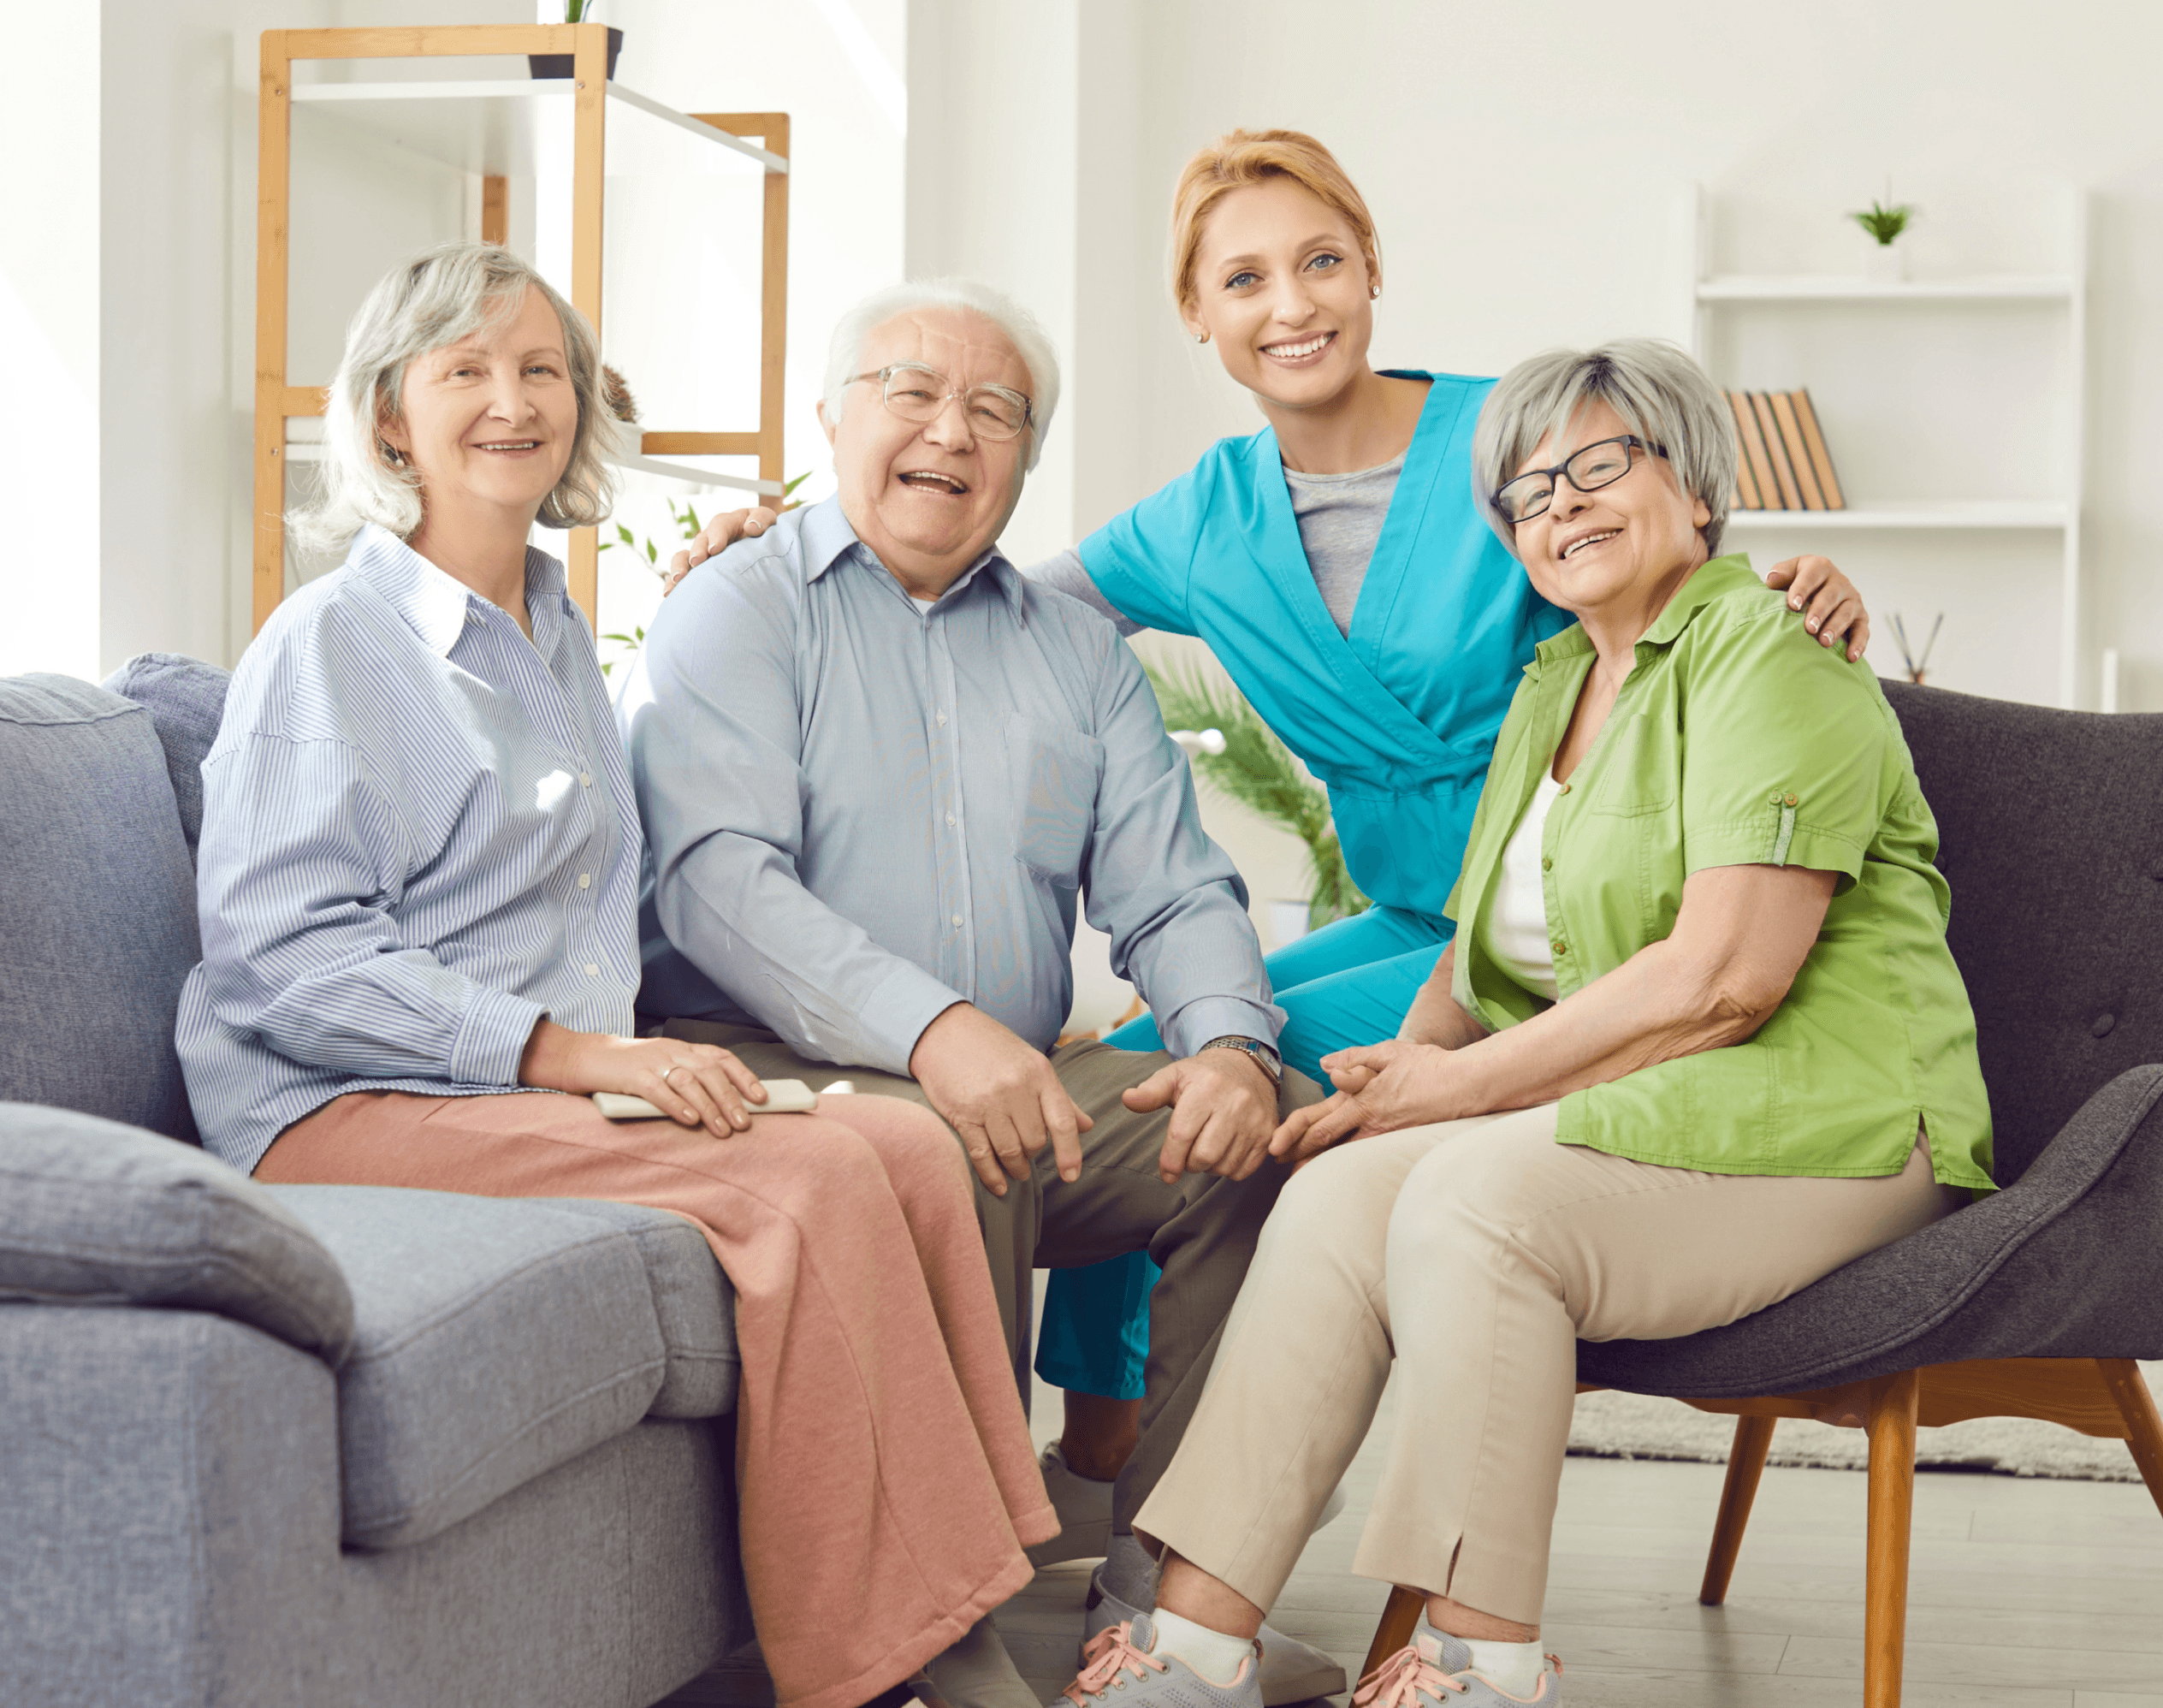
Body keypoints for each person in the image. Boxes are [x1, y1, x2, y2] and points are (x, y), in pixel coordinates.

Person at [667, 128, 1881, 1640]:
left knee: (1260, 1075)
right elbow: (977, 605)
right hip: (1409, 918)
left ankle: (1155, 1534)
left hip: (1568, 923)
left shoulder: (1511, 441)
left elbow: (1666, 568)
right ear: (1198, 313)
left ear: (1372, 268)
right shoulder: (1202, 515)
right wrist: (774, 550)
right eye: (1242, 277)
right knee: (1168, 1062)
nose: (1290, 303)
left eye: (1319, 261)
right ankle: (1105, 1462)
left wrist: (1800, 584)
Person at [1040, 338, 1995, 1708]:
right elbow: (1481, 959)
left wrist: (1461, 1089)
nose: (1564, 503)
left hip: (1834, 1126)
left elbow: (1727, 978)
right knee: (1338, 1185)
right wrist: (1404, 1063)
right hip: (1664, 1119)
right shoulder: (1554, 689)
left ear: (1700, 488)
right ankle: (1192, 1641)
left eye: (1603, 464)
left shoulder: (1766, 651)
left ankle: (1478, 1659)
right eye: (1530, 490)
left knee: (1473, 1203)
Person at [175, 243, 1054, 1708]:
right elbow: (282, 957)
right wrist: (581, 1060)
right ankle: (899, 1666)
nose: (512, 403)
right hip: (340, 1105)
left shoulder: (555, 626)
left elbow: (581, 871)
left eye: (543, 373)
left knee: (901, 1144)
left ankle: (971, 1597)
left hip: (517, 1092)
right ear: (390, 418)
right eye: (466, 371)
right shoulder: (329, 641)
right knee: (817, 1180)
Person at [621, 277, 1344, 1705]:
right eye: (912, 391)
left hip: (1011, 1075)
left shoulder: (1079, 653)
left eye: (995, 409)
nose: (951, 431)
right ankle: (944, 1624)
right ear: (833, 420)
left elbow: (1178, 886)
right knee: (963, 1134)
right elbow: (716, 881)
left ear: (1025, 452)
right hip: (767, 1074)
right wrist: (932, 1033)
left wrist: (1228, 1049)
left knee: (1269, 1142)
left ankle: (1170, 1608)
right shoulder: (738, 608)